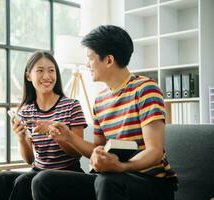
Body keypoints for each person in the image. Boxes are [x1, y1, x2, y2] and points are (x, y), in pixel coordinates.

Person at [31, 25, 178, 200]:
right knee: (44, 180)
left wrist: (121, 166)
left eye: (90, 58)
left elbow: (155, 152)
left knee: (106, 181)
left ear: (108, 60)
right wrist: (69, 136)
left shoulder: (146, 90)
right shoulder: (100, 100)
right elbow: (97, 149)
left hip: (151, 182)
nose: (87, 65)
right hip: (111, 177)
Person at [0, 50, 87, 200]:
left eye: (51, 71)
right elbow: (29, 159)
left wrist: (57, 136)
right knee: (0, 179)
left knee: (23, 181)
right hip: (38, 171)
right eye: (40, 71)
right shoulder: (26, 111)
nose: (47, 76)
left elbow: (77, 153)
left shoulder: (72, 106)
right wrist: (21, 138)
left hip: (68, 173)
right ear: (28, 76)